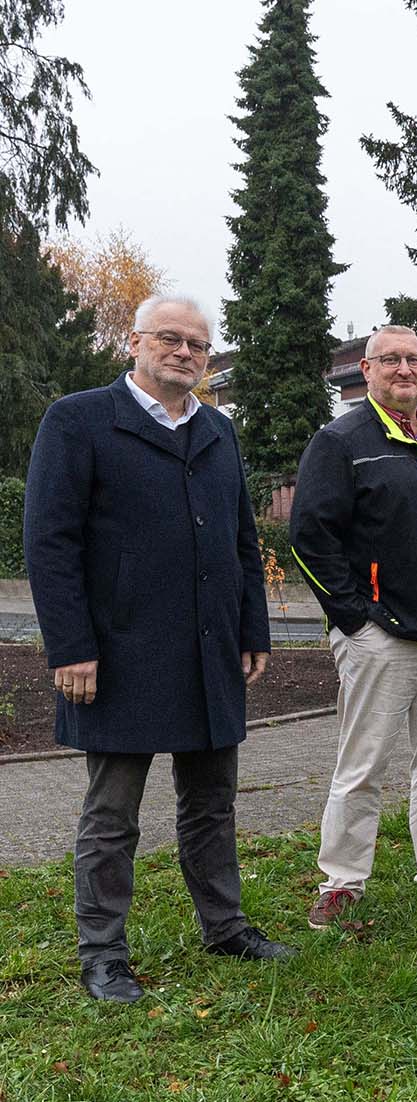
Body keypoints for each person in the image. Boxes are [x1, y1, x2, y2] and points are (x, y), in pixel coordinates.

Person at [23, 294, 292, 1002]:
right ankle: (103, 953)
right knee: (112, 812)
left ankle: (226, 925)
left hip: (209, 648)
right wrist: (71, 646)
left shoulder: (217, 431)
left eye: (198, 345)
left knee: (213, 801)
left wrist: (252, 628)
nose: (185, 352)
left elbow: (242, 538)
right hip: (117, 652)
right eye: (169, 339)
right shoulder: (78, 420)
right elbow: (50, 543)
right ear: (134, 344)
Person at [289, 325, 417, 929]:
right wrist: (353, 619)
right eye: (390, 359)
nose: (404, 368)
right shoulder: (341, 441)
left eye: (415, 359)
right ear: (365, 371)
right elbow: (309, 535)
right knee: (364, 764)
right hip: (382, 637)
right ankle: (342, 882)